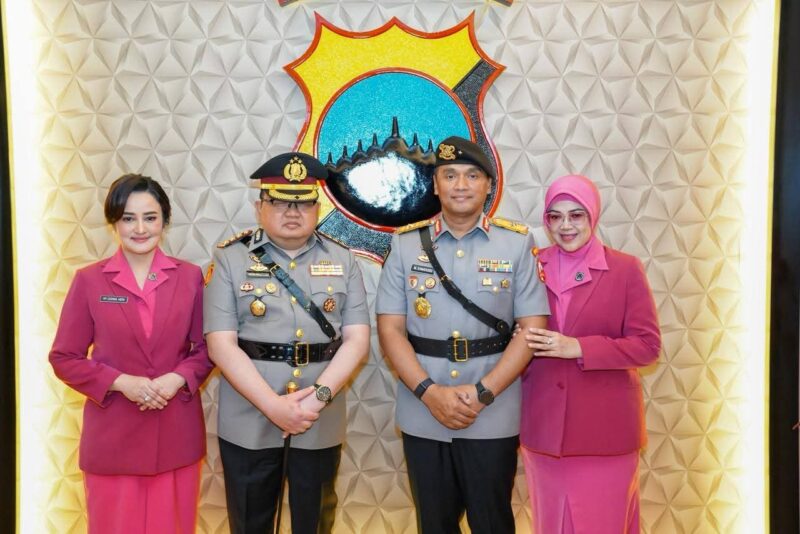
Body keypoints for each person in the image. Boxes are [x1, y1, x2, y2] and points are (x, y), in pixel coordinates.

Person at [376, 136, 550, 534]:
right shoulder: (404, 245)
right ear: (435, 185)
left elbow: (532, 328)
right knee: (434, 523)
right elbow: (390, 329)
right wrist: (429, 392)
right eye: (450, 175)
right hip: (423, 408)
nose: (460, 185)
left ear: (488, 185)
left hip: (492, 409)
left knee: (492, 521)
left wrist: (484, 392)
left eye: (472, 175)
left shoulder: (516, 243)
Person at [204, 152, 370, 534]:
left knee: (316, 522)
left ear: (317, 208)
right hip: (250, 417)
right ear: (258, 206)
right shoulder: (230, 258)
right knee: (250, 522)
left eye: (303, 203)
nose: (292, 212)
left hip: (319, 416)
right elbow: (221, 345)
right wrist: (273, 407)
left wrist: (316, 400)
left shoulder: (343, 259)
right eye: (279, 202)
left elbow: (357, 340)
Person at [49, 173, 214, 534]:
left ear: (164, 221)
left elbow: (208, 348)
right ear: (114, 223)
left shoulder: (189, 277)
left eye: (150, 218)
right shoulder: (89, 280)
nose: (140, 229)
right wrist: (122, 382)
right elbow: (64, 357)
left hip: (175, 434)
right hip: (113, 438)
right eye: (128, 218)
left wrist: (176, 379)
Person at [518, 174, 661, 533]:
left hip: (605, 432)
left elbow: (647, 346)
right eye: (555, 216)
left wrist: (579, 347)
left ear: (593, 215)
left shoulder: (625, 269)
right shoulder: (530, 267)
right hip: (544, 430)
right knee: (550, 524)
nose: (565, 226)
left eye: (576, 215)